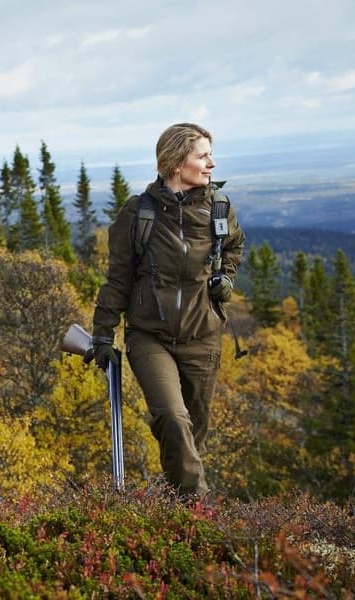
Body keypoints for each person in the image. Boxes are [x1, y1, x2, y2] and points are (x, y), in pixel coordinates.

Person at [86, 122, 245, 497]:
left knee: (192, 436)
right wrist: (102, 333)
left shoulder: (219, 208)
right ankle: (200, 513)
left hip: (202, 337)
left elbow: (234, 247)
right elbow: (118, 278)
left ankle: (175, 509)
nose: (212, 164)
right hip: (149, 337)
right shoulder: (137, 214)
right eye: (203, 156)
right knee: (172, 418)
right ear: (176, 162)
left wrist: (226, 277)